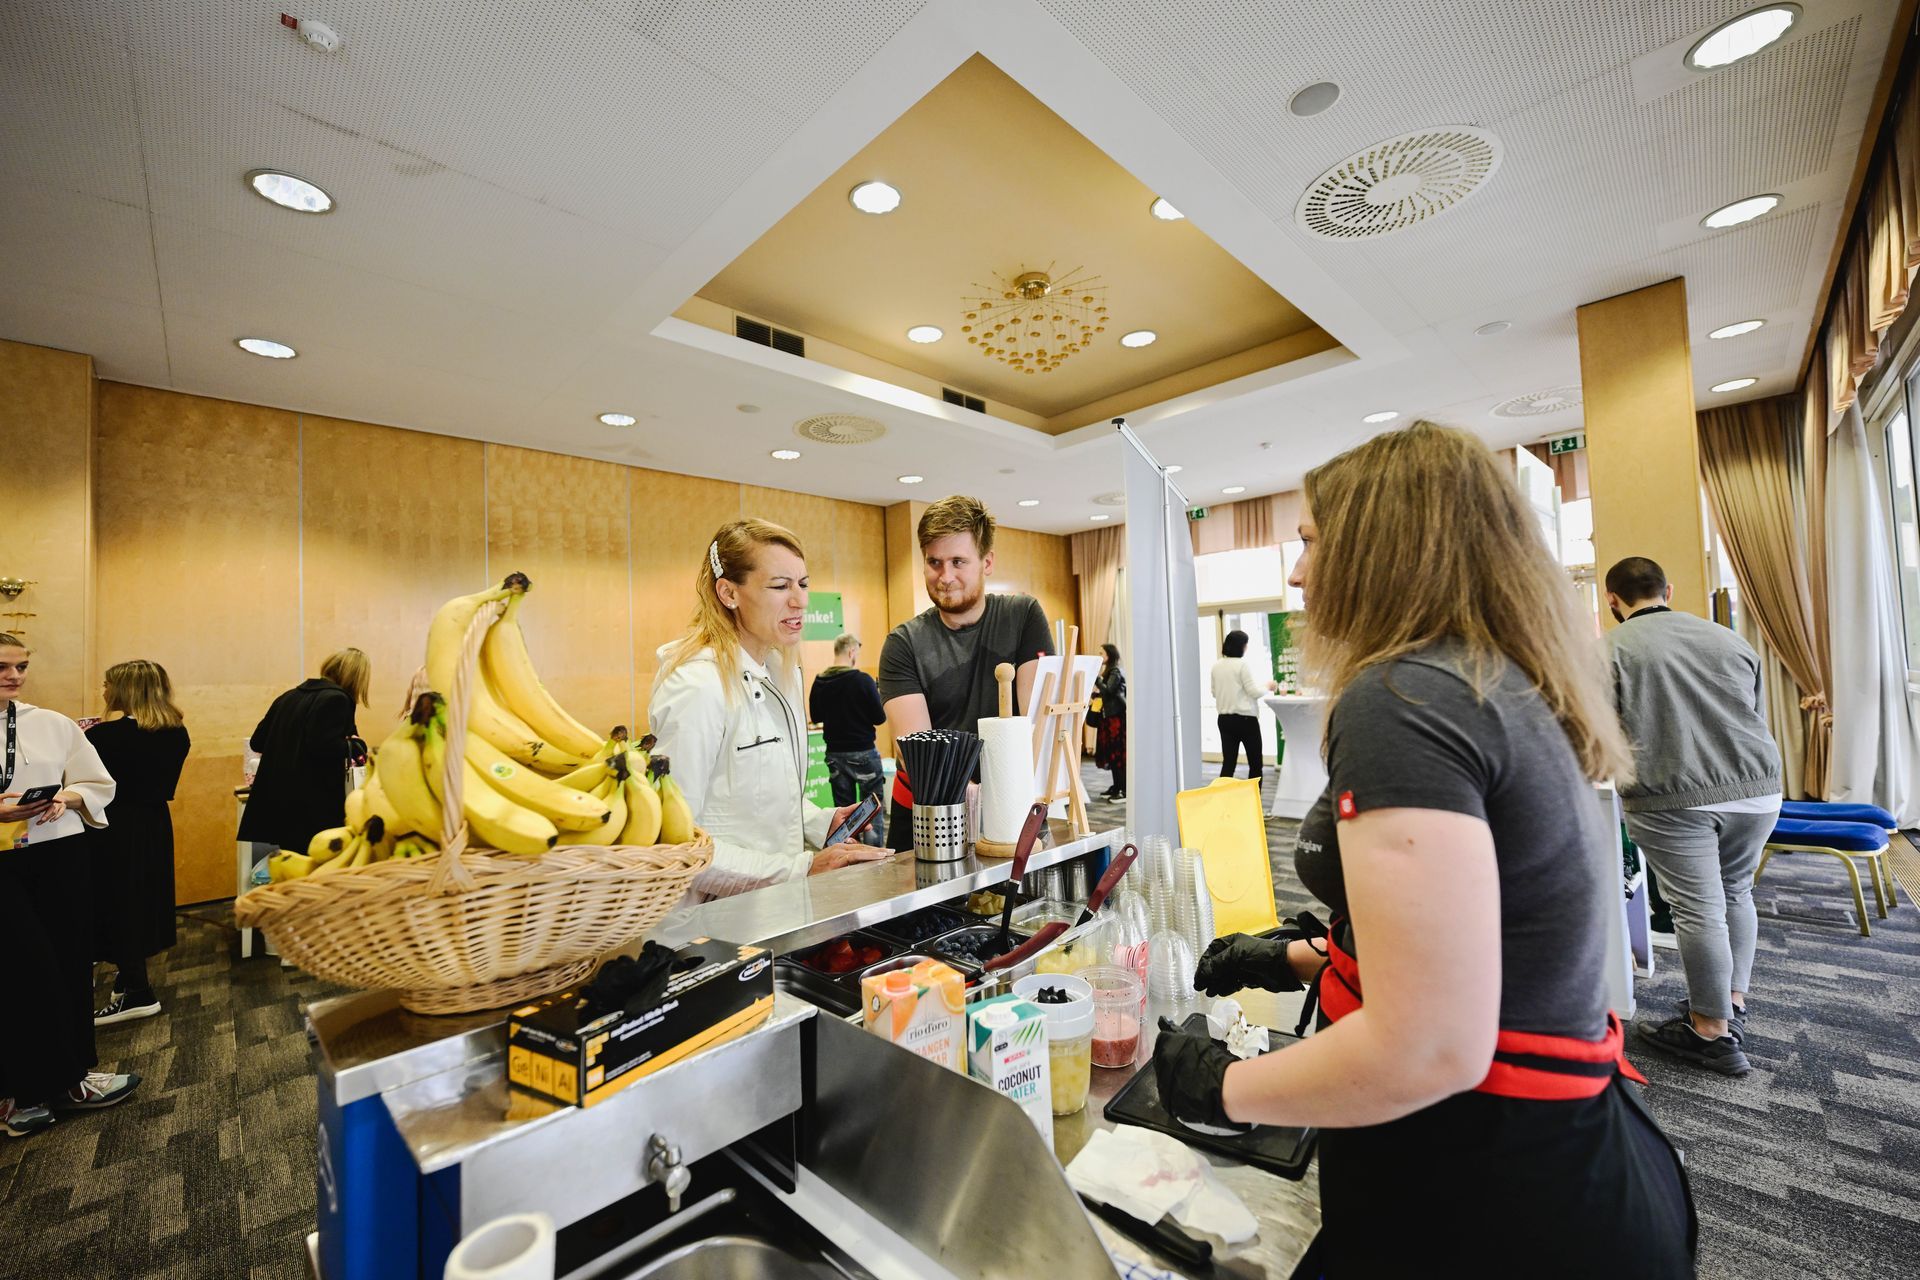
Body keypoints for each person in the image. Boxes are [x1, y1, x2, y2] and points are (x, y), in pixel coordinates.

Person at [1151, 424, 1695, 1276]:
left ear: (1381, 549)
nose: (1297, 575)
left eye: (1311, 544)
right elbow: (1485, 936)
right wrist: (1292, 958)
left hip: (1494, 1186)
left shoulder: (1401, 699)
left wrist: (1219, 1087)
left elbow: (1432, 1044)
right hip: (1556, 1158)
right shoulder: (1488, 680)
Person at [1605, 556, 1782, 1077]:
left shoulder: (1609, 649)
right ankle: (1731, 1004)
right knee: (1736, 892)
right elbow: (1752, 714)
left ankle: (1710, 1030)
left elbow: (1596, 730)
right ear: (1668, 590)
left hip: (1674, 797)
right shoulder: (1729, 640)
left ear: (1612, 600)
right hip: (1757, 789)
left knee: (1698, 909)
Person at [650, 520, 889, 898]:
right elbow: (676, 841)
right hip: (714, 920)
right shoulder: (697, 686)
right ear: (728, 592)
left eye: (803, 584)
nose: (800, 600)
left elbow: (759, 800)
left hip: (772, 911)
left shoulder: (780, 672)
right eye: (780, 586)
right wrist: (800, 869)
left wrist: (819, 822)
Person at [0, 633, 137, 1140]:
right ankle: (19, 1091)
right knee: (21, 971)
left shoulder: (50, 723)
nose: (14, 676)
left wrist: (68, 797)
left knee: (69, 961)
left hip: (57, 852)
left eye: (21, 666)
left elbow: (96, 782)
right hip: (4, 864)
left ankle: (73, 1078)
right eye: (2, 667)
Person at [878, 495, 1054, 853]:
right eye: (934, 562)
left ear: (987, 562)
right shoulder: (903, 643)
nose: (945, 577)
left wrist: (1002, 797)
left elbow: (1035, 725)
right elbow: (918, 752)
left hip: (1014, 806)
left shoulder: (1022, 616)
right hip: (930, 819)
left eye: (958, 561)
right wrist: (977, 800)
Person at [87, 660, 192, 1027]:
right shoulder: (176, 733)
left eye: (107, 684)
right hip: (153, 823)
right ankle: (130, 980)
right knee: (142, 898)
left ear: (124, 690)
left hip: (114, 826)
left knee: (117, 901)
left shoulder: (104, 737)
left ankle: (137, 991)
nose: (103, 691)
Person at [238, 648, 369, 856]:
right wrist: (357, 745)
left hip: (280, 807)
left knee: (292, 864)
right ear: (356, 678)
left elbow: (257, 742)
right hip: (313, 809)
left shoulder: (288, 697)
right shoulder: (338, 699)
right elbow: (324, 747)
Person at [809, 633, 888, 848]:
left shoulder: (820, 681)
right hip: (863, 753)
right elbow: (880, 718)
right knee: (872, 810)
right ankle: (873, 857)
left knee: (844, 814)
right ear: (852, 651)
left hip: (834, 755)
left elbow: (815, 716)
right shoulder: (862, 680)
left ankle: (848, 855)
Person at [1210, 629, 1275, 784]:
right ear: (1241, 646)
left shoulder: (1216, 666)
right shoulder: (1242, 665)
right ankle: (1254, 799)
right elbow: (1253, 692)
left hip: (1224, 720)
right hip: (1246, 721)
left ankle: (1222, 797)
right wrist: (1268, 686)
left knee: (1228, 764)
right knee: (1255, 765)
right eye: (1246, 644)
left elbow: (1214, 693)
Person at [1092, 643, 1126, 800]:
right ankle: (1116, 786)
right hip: (1109, 718)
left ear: (1109, 655)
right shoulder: (1109, 671)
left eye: (1102, 653)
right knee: (1112, 755)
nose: (1099, 656)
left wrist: (1097, 679)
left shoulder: (1115, 671)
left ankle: (1122, 789)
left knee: (1117, 755)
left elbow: (1108, 690)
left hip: (1115, 720)